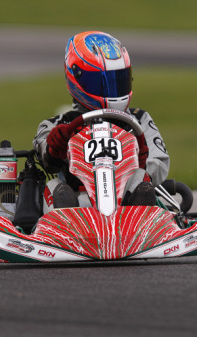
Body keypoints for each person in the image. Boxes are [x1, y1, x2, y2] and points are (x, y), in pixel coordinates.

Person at [33, 31, 169, 213]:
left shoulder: (139, 120)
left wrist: (137, 160)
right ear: (76, 77)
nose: (112, 89)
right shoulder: (57, 125)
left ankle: (144, 229)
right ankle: (59, 236)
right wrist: (53, 147)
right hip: (78, 206)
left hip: (128, 207)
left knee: (140, 178)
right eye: (101, 83)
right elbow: (45, 157)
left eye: (119, 79)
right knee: (55, 187)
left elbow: (159, 164)